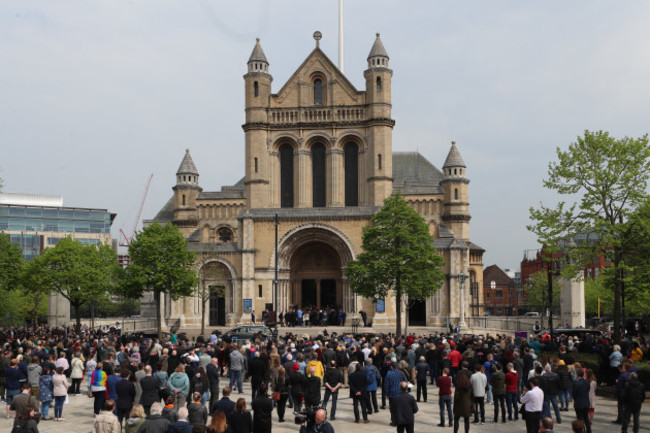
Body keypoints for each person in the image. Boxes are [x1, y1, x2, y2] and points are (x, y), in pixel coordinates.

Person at [572, 368, 591, 433]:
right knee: (586, 418)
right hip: (586, 402)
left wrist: (576, 399)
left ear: (577, 375)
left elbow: (574, 393)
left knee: (580, 419)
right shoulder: (587, 382)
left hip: (579, 403)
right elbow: (588, 390)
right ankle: (589, 430)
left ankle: (582, 430)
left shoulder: (576, 383)